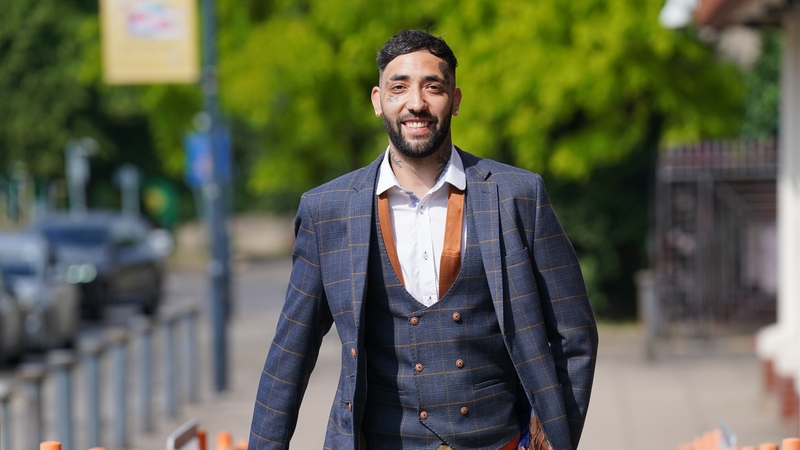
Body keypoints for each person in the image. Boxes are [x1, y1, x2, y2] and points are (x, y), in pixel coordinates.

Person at [249, 30, 598, 450]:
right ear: (378, 101)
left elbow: (574, 334)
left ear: (455, 100)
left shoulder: (519, 194)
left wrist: (549, 442)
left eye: (433, 86)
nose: (416, 102)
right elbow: (291, 354)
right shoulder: (328, 209)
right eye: (400, 87)